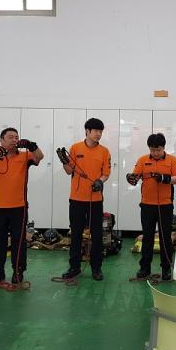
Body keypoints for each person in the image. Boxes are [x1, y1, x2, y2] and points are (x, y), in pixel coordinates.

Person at [0, 128, 43, 284]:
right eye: (10, 137)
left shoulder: (25, 156)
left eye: (16, 137)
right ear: (1, 140)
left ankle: (18, 271)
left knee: (19, 241)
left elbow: (39, 157)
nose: (14, 140)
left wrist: (32, 145)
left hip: (19, 207)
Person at [57, 118, 110, 281]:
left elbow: (106, 173)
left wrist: (100, 181)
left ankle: (96, 268)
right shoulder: (75, 148)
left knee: (97, 234)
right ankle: (74, 267)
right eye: (96, 131)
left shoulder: (104, 151)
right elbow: (69, 171)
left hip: (95, 200)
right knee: (76, 234)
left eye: (101, 131)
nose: (99, 134)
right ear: (87, 131)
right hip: (76, 199)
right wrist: (64, 161)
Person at [127, 133, 176, 280]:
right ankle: (145, 268)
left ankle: (166, 268)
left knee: (165, 238)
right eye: (152, 150)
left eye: (158, 150)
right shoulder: (142, 160)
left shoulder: (172, 160)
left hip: (165, 205)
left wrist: (164, 178)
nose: (155, 153)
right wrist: (131, 178)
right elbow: (135, 177)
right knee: (147, 237)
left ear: (164, 148)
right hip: (147, 205)